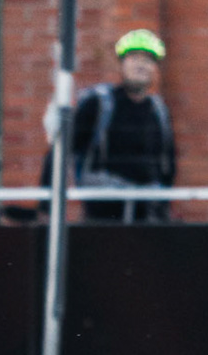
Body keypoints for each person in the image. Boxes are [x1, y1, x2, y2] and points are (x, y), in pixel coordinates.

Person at [44, 29, 177, 222]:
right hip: (103, 217)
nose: (141, 65)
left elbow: (168, 164)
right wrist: (46, 206)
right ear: (122, 64)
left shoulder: (159, 111)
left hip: (147, 217)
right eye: (134, 58)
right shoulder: (99, 103)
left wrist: (164, 206)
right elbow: (61, 151)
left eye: (148, 59)